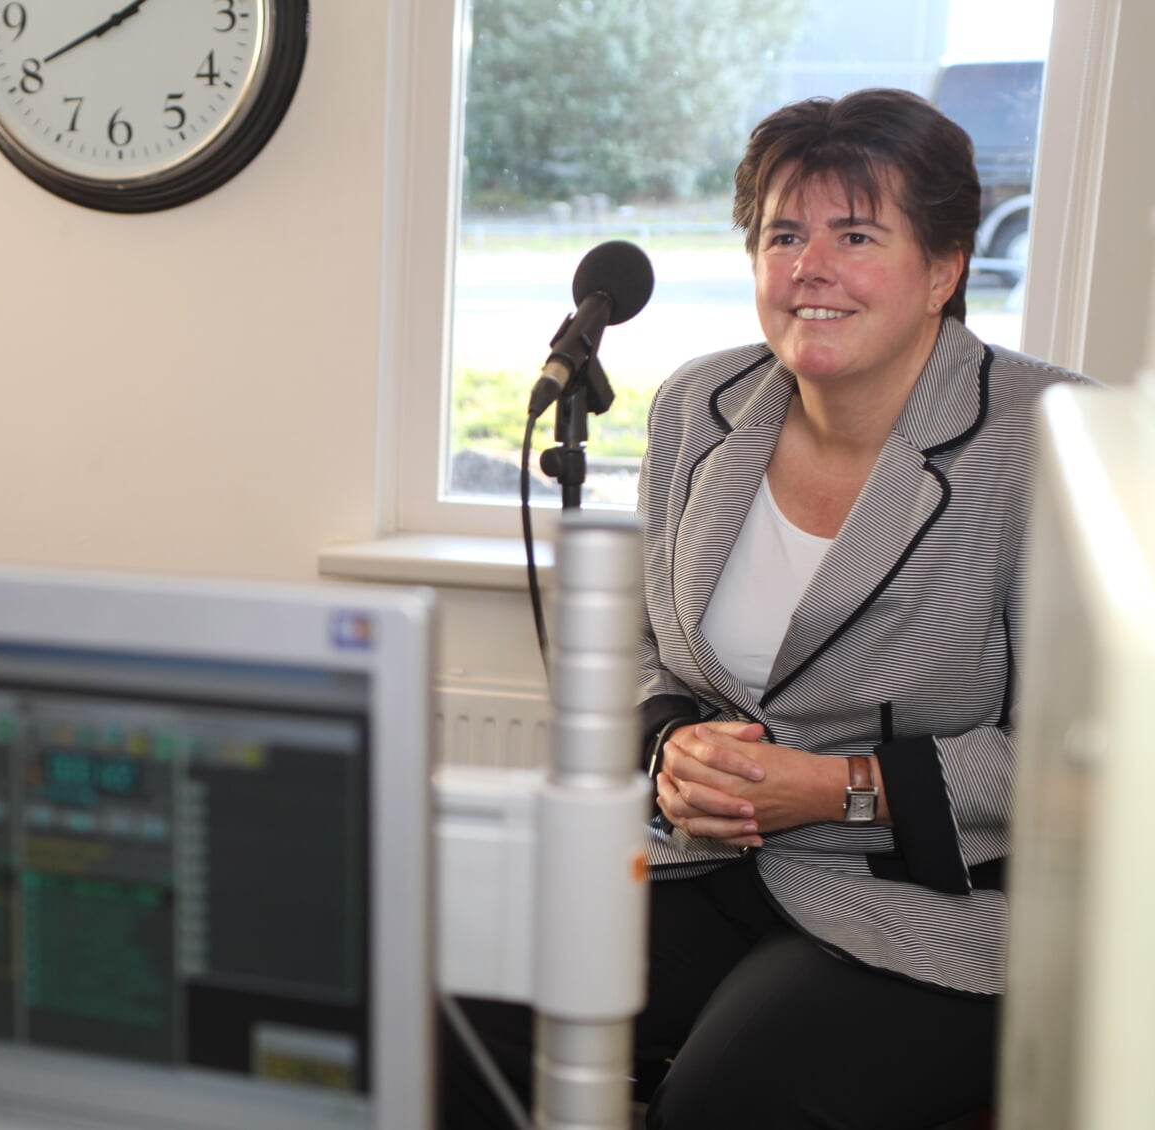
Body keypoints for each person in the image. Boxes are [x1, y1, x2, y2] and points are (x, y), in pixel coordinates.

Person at [443, 87, 1092, 1129]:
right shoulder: (700, 406)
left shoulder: (1056, 437)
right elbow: (663, 658)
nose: (810, 265)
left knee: (725, 1101)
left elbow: (1088, 754)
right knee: (450, 989)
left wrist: (840, 788)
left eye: (857, 233)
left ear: (944, 268)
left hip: (941, 896)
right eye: (784, 232)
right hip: (717, 863)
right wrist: (670, 751)